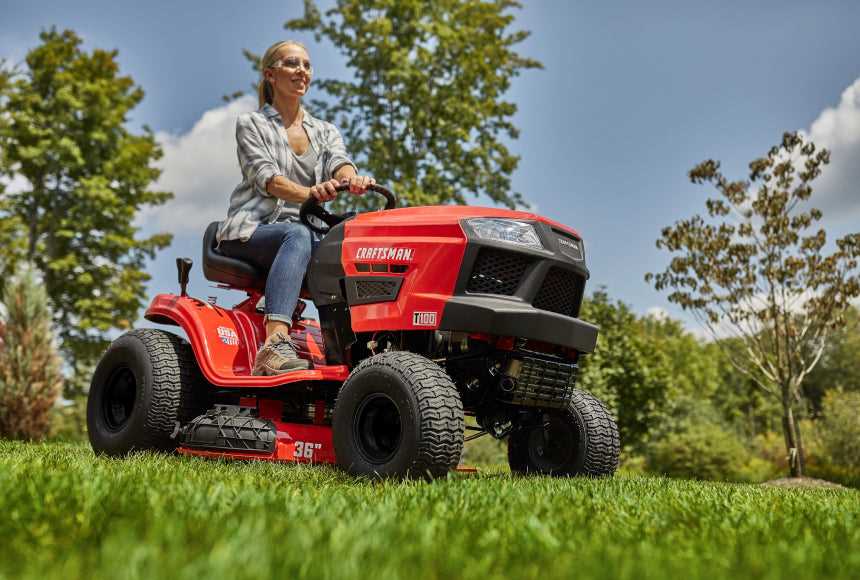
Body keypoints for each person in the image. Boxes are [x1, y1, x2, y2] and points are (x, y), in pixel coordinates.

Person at [217, 40, 375, 375]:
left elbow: (340, 163)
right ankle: (273, 346)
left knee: (359, 242)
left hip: (304, 234)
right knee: (298, 234)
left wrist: (353, 180)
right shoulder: (252, 124)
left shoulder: (324, 130)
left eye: (306, 64)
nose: (301, 70)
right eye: (292, 63)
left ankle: (358, 351)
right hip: (252, 230)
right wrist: (310, 192)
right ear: (270, 74)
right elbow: (269, 179)